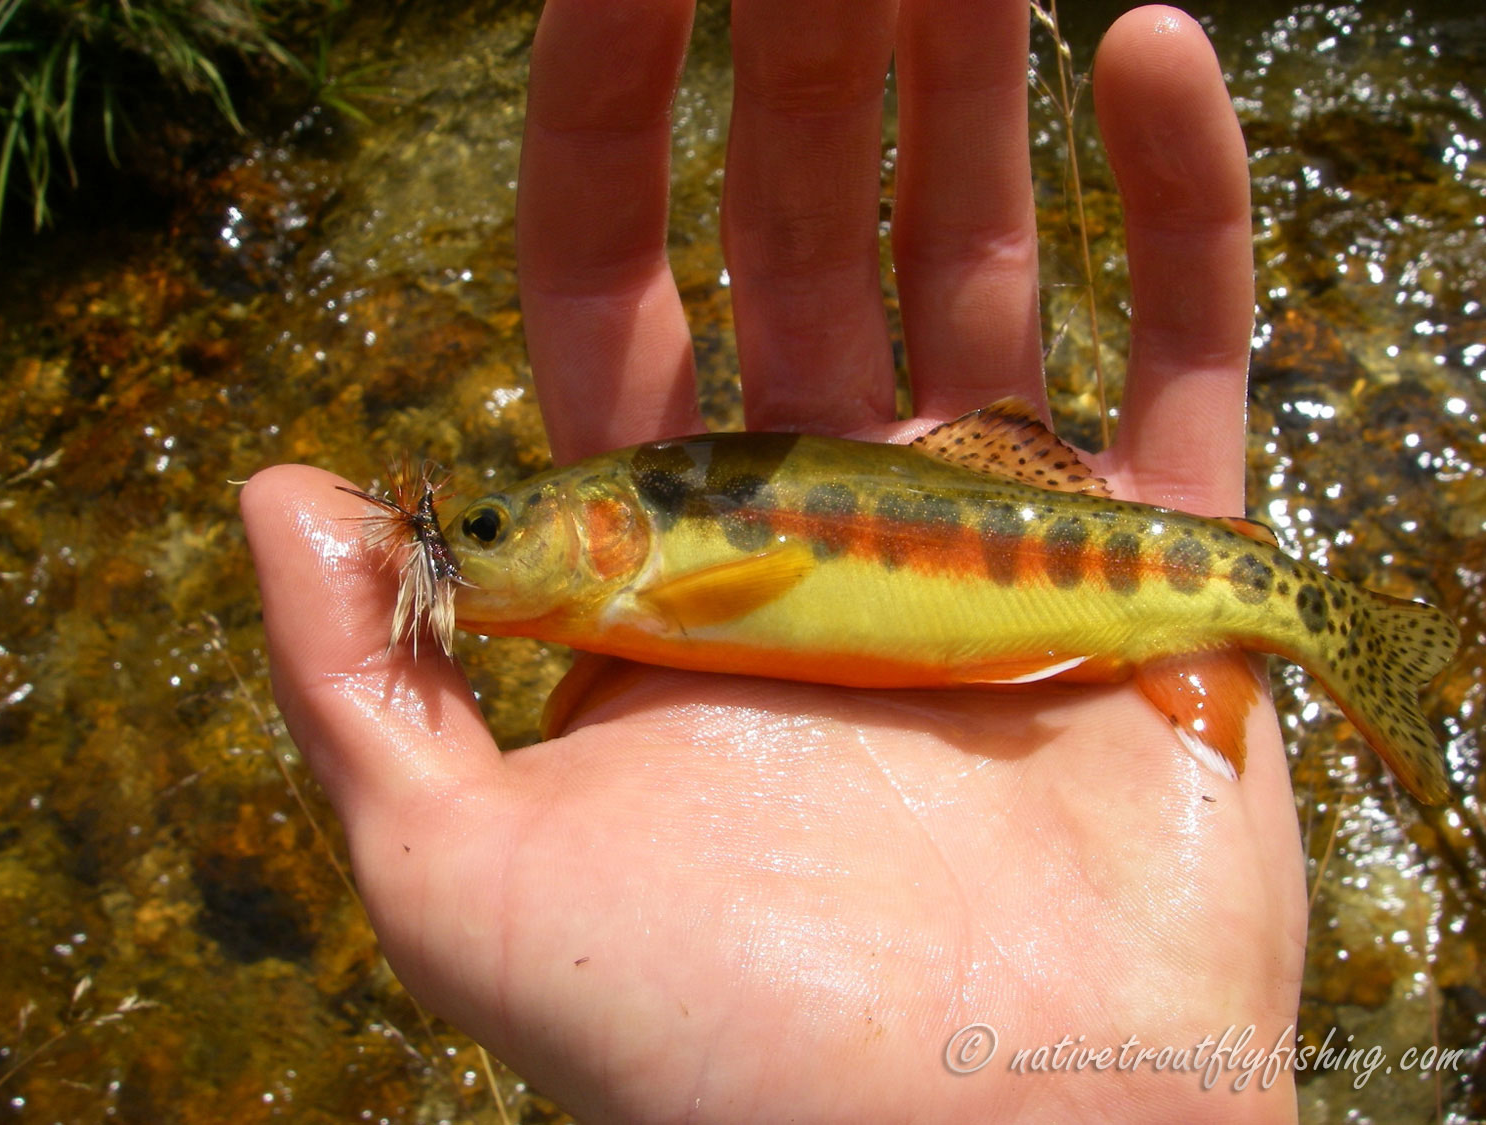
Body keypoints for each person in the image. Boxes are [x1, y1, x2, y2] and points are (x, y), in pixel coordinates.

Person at [242, 2, 1305, 1120]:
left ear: (604, 523)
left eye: (491, 530)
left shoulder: (652, 578)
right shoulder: (630, 592)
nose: (463, 553)